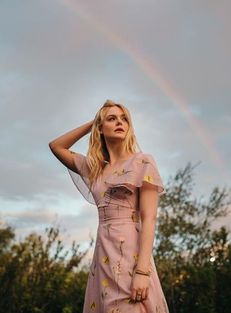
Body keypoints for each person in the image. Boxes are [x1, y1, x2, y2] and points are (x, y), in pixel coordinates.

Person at [49, 99, 169, 313]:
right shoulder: (94, 168)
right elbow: (56, 146)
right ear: (101, 128)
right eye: (111, 119)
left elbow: (149, 218)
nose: (119, 122)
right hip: (103, 253)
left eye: (124, 119)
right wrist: (92, 122)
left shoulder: (143, 162)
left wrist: (142, 272)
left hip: (132, 253)